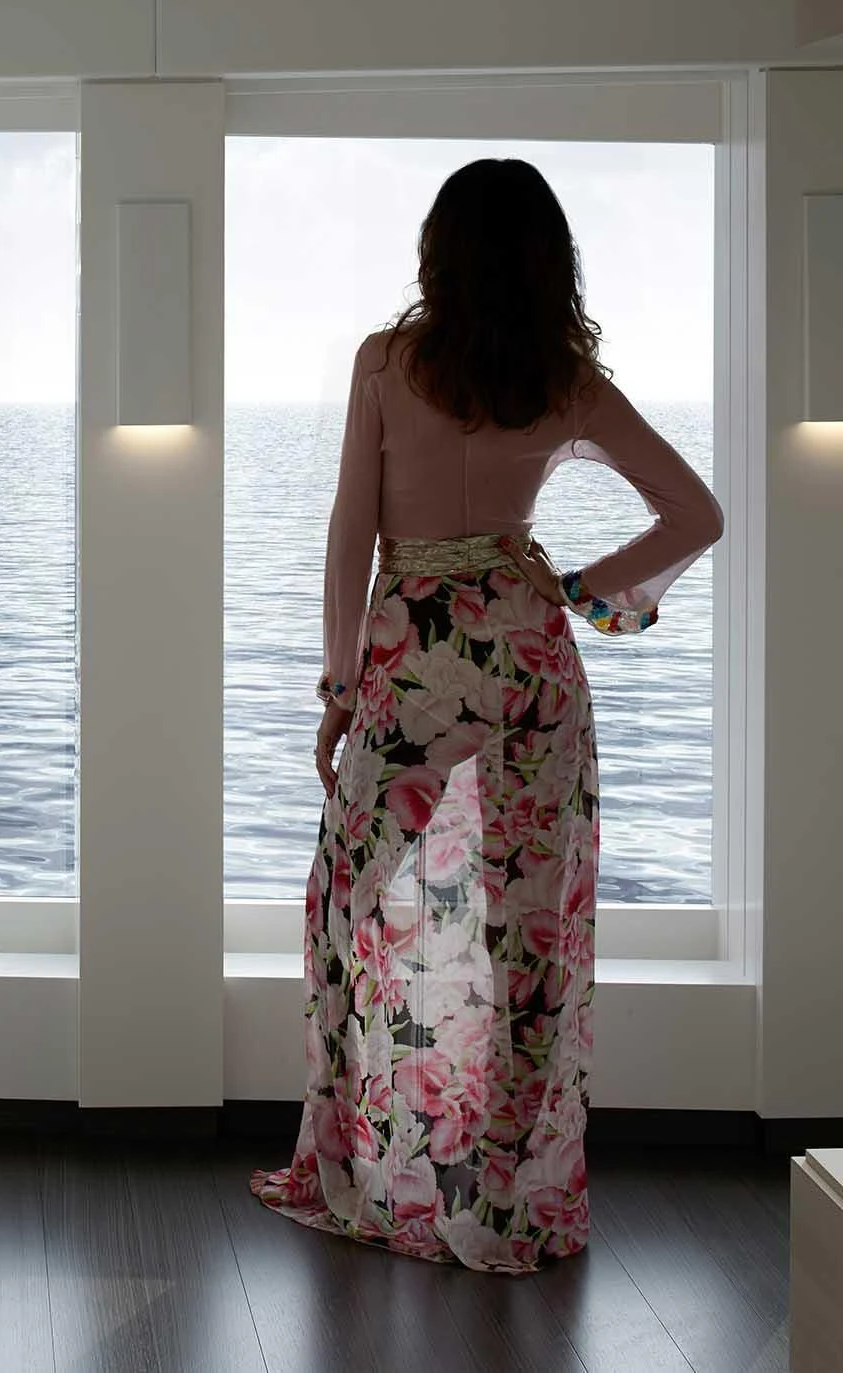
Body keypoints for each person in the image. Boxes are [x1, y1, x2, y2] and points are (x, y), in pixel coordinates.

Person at [248, 159, 723, 1274]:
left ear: (438, 253)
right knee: (527, 927)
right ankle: (504, 1196)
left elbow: (350, 532)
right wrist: (581, 590)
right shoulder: (565, 379)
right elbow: (694, 513)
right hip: (526, 658)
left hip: (412, 656)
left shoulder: (385, 362)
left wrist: (337, 686)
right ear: (550, 262)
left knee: (345, 905)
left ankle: (361, 1163)